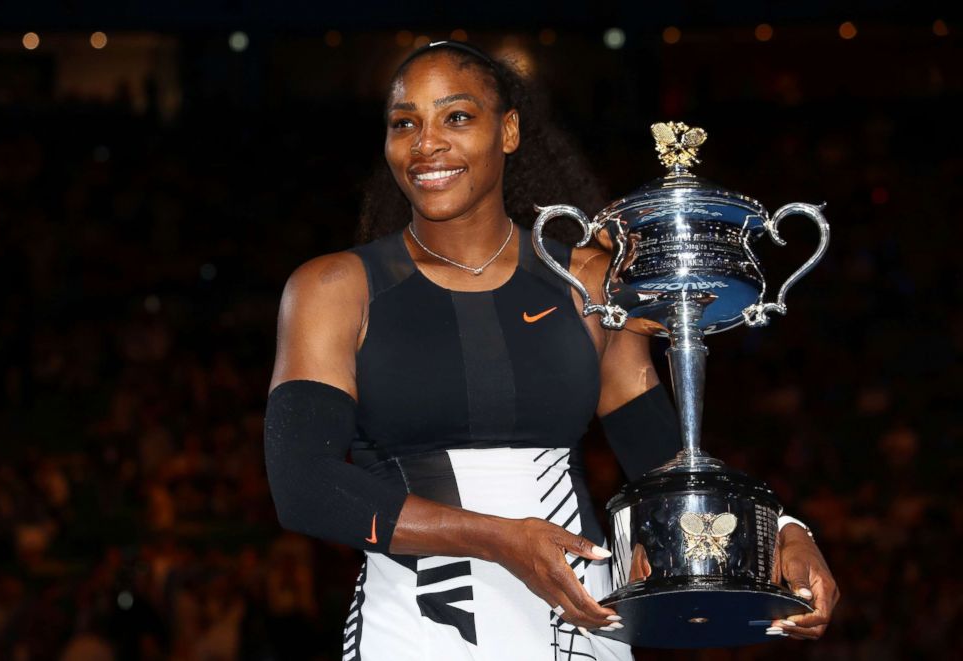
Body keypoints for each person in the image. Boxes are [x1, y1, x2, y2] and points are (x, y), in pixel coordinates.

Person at [264, 40, 839, 660]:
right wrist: (500, 539)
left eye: (456, 116)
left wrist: (780, 532)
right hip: (416, 621)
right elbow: (304, 484)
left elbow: (662, 453)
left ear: (508, 130)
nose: (426, 143)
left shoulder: (589, 283)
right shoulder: (334, 288)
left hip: (577, 614)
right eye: (405, 123)